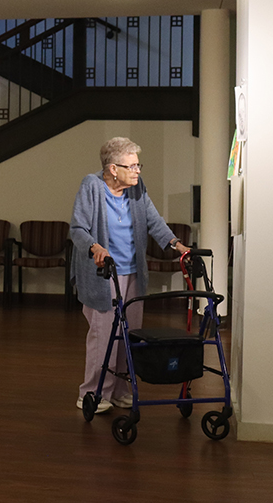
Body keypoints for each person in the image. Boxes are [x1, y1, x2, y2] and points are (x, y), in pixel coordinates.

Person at [69, 137, 188, 413]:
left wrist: (176, 245)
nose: (137, 171)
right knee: (103, 337)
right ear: (113, 168)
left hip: (133, 272)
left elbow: (153, 220)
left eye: (138, 165)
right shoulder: (92, 186)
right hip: (103, 275)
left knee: (129, 334)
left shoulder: (137, 188)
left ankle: (121, 390)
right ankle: (93, 393)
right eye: (132, 165)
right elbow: (77, 229)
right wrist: (95, 246)